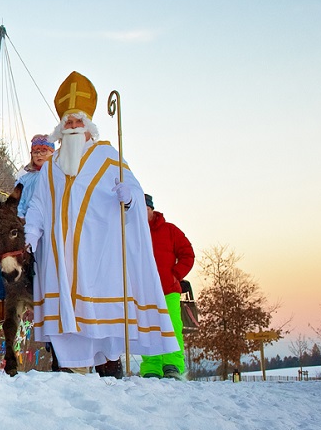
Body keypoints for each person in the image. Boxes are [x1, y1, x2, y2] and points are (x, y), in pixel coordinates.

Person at [22, 71, 179, 373]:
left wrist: (129, 195)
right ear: (60, 127)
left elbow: (133, 188)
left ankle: (110, 366)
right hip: (60, 259)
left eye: (77, 121)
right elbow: (39, 205)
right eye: (67, 121)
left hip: (100, 256)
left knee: (99, 319)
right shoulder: (51, 167)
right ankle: (69, 369)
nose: (72, 126)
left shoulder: (108, 157)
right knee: (67, 320)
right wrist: (31, 232)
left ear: (89, 126)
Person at [139, 193, 196, 379]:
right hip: (144, 292)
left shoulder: (170, 230)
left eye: (146, 208)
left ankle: (172, 365)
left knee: (171, 327)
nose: (143, 212)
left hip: (168, 290)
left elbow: (188, 254)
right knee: (147, 329)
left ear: (152, 209)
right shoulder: (132, 232)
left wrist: (176, 275)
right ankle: (151, 367)